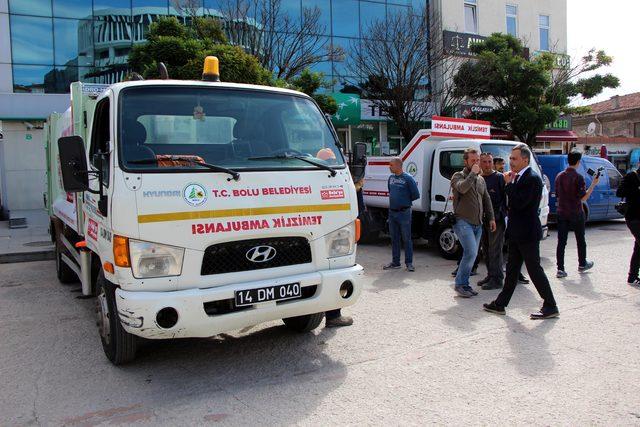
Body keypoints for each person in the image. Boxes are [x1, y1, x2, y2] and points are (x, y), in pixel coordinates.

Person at [484, 144, 559, 319]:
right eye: (510, 158)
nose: (511, 162)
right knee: (511, 271)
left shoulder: (531, 178)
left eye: (515, 158)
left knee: (534, 270)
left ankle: (550, 305)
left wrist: (509, 185)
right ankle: (500, 304)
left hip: (527, 233)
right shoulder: (518, 177)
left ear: (525, 160)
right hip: (517, 233)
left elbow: (520, 203)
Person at [450, 148, 496, 297]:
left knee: (472, 254)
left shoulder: (480, 179)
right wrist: (472, 174)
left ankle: (465, 284)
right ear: (466, 162)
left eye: (477, 160)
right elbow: (462, 188)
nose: (476, 163)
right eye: (473, 160)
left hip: (478, 224)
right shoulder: (458, 176)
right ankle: (460, 284)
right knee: (470, 253)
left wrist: (491, 218)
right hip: (463, 221)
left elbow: (486, 199)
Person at [325, 158, 365, 327]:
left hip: (329, 234)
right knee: (336, 270)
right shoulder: (333, 178)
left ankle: (333, 314)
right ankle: (333, 315)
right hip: (334, 235)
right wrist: (355, 188)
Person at [555, 151, 598, 278]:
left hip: (562, 212)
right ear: (578, 162)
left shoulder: (559, 176)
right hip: (576, 212)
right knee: (580, 239)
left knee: (561, 241)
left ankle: (560, 269)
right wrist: (593, 185)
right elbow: (583, 198)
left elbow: (558, 194)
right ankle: (582, 263)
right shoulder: (579, 177)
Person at [495, 155, 530, 285]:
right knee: (505, 247)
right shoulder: (501, 178)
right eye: (500, 164)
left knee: (517, 252)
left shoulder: (518, 178)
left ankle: (517, 274)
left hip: (515, 219)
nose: (504, 166)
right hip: (504, 215)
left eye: (504, 164)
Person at [383, 157, 420, 272]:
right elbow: (391, 191)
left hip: (404, 213)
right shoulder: (391, 178)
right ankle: (395, 262)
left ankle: (409, 263)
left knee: (406, 238)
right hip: (392, 212)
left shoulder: (408, 178)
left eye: (391, 165)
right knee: (394, 238)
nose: (389, 167)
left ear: (398, 166)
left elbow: (415, 194)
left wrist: (404, 201)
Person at [477, 153, 507, 290]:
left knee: (495, 250)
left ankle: (497, 278)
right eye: (485, 162)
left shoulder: (499, 178)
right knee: (486, 249)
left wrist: (496, 217)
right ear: (480, 163)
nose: (488, 165)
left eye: (490, 161)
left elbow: (505, 200)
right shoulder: (478, 178)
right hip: (481, 220)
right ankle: (490, 275)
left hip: (496, 220)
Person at [616, 163, 640, 287]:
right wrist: (636, 189)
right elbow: (619, 192)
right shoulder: (631, 176)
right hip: (633, 217)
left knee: (638, 248)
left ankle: (632, 276)